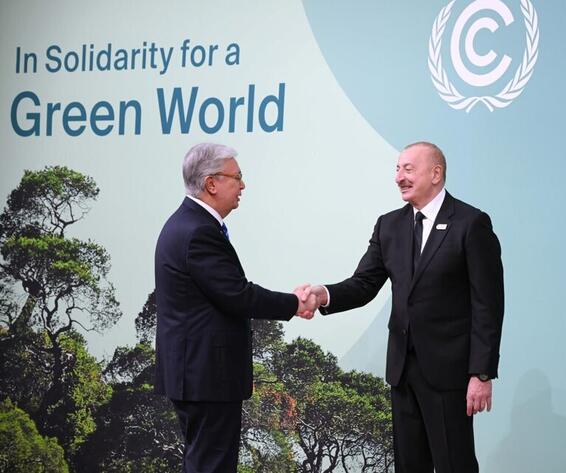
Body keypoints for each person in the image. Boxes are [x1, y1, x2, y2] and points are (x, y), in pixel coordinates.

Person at [307, 141, 504, 472]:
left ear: (436, 173)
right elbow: (364, 284)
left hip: (449, 373)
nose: (399, 177)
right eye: (397, 169)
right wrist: (324, 294)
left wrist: (481, 373)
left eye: (408, 169)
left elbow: (488, 304)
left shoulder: (471, 223)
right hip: (402, 371)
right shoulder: (389, 225)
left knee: (454, 464)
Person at [154, 142, 317, 472]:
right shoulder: (199, 230)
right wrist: (295, 303)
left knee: (203, 461)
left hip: (196, 374)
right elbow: (237, 295)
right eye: (237, 176)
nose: (243, 185)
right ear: (211, 183)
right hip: (206, 374)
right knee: (211, 464)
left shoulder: (184, 223)